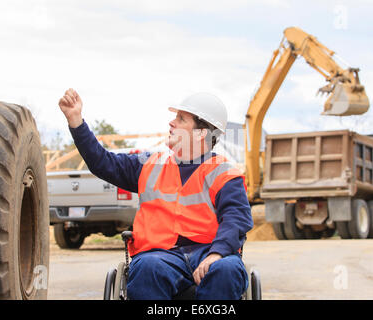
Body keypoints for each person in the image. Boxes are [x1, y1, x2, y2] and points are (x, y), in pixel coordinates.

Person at [58, 88, 253, 299]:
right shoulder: (149, 165)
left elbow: (236, 218)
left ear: (201, 133)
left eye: (181, 119)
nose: (172, 123)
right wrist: (76, 121)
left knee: (227, 269)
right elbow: (102, 163)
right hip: (160, 256)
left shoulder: (223, 172)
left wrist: (217, 253)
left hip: (210, 252)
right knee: (147, 268)